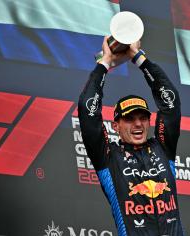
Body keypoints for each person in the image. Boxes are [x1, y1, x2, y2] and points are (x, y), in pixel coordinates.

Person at [78, 36, 184, 236]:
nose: (137, 124)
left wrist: (139, 58)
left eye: (142, 118)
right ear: (116, 126)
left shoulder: (163, 147)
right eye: (129, 119)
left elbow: (170, 101)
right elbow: (88, 111)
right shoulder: (108, 157)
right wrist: (104, 63)